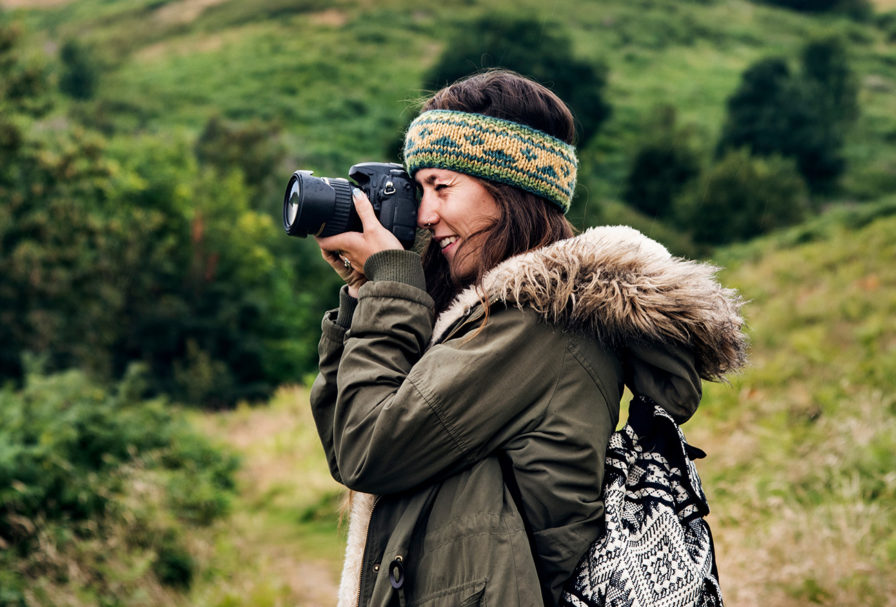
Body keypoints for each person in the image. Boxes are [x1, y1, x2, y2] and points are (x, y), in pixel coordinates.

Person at [310, 70, 746, 607]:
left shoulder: (539, 324)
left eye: (442, 187)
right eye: (418, 189)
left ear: (513, 189)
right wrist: (364, 289)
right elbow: (345, 440)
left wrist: (391, 284)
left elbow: (369, 451)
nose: (425, 216)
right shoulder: (481, 317)